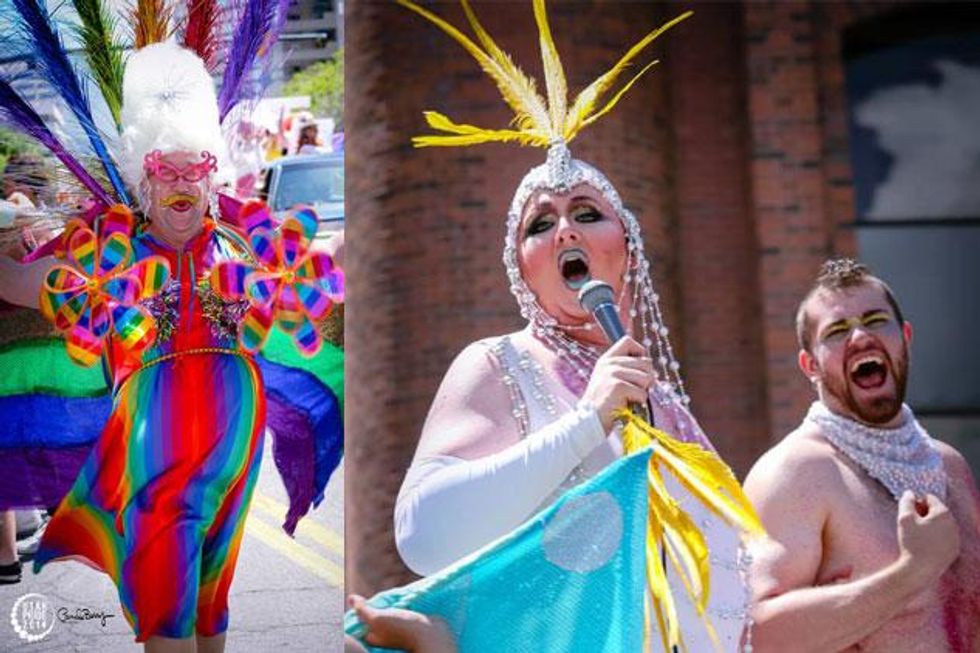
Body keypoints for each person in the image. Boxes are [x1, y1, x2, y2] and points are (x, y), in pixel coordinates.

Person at [348, 2, 760, 651]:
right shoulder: (497, 364)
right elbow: (421, 532)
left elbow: (733, 570)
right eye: (541, 224)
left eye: (586, 212)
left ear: (625, 246)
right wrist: (586, 422)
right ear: (525, 270)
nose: (564, 227)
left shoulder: (664, 405)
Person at [0, 34, 343, 652]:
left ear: (213, 172)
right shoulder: (113, 251)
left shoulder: (240, 244)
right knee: (170, 634)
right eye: (166, 169)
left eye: (196, 168)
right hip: (157, 479)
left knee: (212, 624)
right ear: (143, 176)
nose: (182, 182)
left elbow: (318, 279)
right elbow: (25, 283)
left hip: (233, 481)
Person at [743, 258, 980, 652]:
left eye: (875, 321)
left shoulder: (949, 465)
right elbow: (755, 634)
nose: (860, 338)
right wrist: (912, 572)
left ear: (904, 337)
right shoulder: (798, 471)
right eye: (837, 330)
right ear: (810, 365)